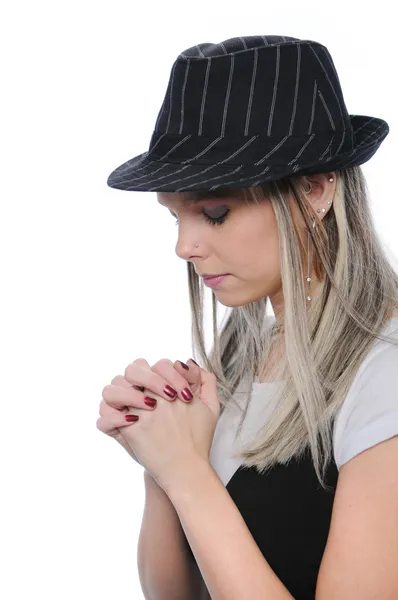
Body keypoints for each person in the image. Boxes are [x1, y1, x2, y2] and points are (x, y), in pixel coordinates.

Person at [104, 35, 398, 599]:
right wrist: (162, 455)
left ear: (314, 190)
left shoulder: (383, 375)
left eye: (214, 213)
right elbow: (176, 595)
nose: (185, 247)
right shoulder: (238, 362)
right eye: (175, 218)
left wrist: (189, 475)